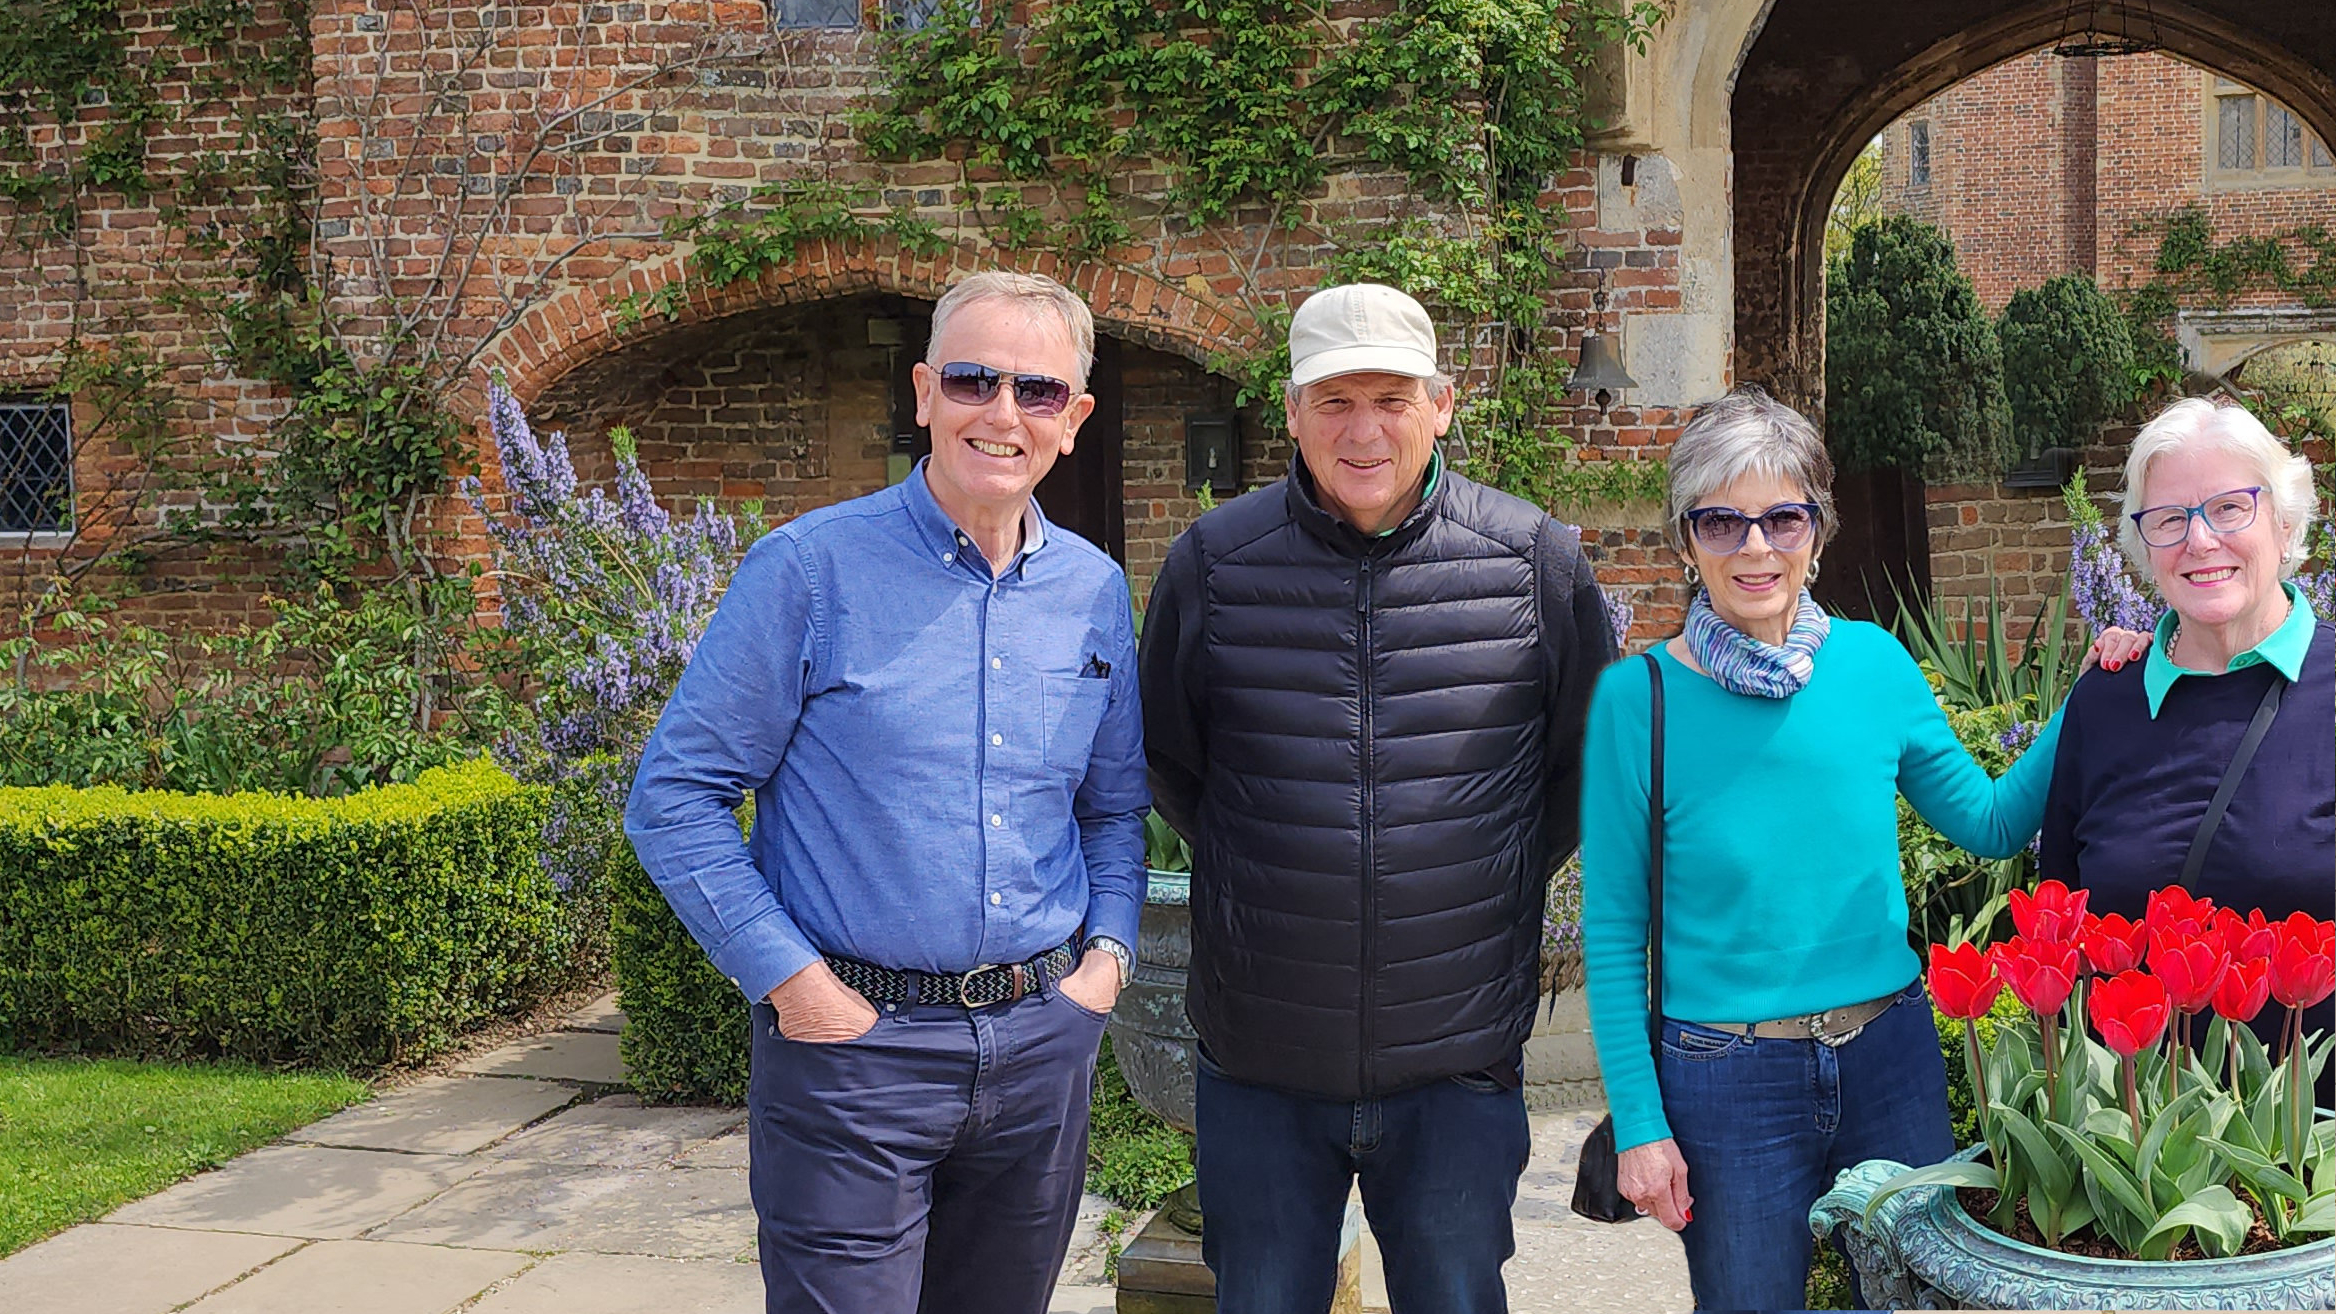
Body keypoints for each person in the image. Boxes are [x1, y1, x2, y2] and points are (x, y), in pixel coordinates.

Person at [624, 270, 1148, 1314]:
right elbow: (674, 796)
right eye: (971, 380)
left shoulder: (1092, 588)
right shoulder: (807, 572)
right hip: (854, 1063)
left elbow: (1110, 806)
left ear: (1073, 418)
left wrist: (1107, 961)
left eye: (1035, 391)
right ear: (922, 393)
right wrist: (794, 986)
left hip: (1040, 1046)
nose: (1001, 413)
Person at [1139, 282, 1617, 1314]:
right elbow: (1171, 763)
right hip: (1261, 1059)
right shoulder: (1213, 567)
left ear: (1441, 405)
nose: (1363, 431)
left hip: (1453, 1065)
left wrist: (1481, 871)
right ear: (1291, 410)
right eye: (1333, 401)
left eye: (1391, 400)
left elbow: (1581, 768)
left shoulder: (1533, 562)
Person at [1579, 386, 2065, 1311]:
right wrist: (1641, 1126)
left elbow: (1993, 821)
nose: (1754, 548)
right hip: (1727, 1081)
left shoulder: (1876, 665)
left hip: (1890, 1056)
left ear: (1818, 529)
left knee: (1922, 1302)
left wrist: (2091, 696)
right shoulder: (1634, 703)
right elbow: (1610, 935)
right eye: (1721, 522)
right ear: (1686, 541)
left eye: (1781, 518)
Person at [2041, 397, 2334, 1088]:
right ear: (2144, 549)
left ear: (2285, 520)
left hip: (2318, 1160)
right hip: (2140, 1157)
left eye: (2230, 507)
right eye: (2170, 519)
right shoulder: (2106, 701)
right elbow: (2062, 918)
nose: (2200, 540)